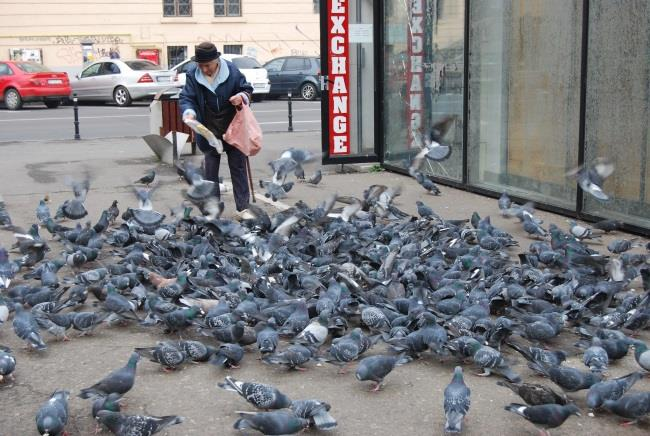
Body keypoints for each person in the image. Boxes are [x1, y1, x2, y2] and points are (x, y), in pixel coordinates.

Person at [179, 42, 254, 212]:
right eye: (201, 65)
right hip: (209, 129)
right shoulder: (193, 74)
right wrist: (189, 112)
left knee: (238, 168)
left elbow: (247, 89)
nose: (204, 69)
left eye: (208, 65)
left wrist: (241, 97)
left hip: (233, 127)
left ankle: (243, 209)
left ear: (217, 60)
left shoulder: (232, 71)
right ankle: (213, 210)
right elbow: (186, 98)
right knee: (210, 173)